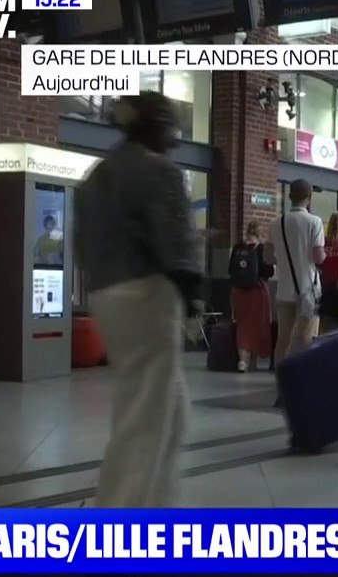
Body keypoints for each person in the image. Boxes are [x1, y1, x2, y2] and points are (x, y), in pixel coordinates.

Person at [74, 91, 201, 507]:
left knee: (172, 411)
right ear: (158, 127)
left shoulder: (98, 174)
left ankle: (158, 511)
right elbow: (177, 246)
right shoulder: (159, 171)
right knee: (144, 418)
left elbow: (83, 243)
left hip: (106, 293)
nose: (175, 138)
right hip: (147, 293)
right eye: (171, 128)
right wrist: (192, 298)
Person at [269, 179, 325, 362]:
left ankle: (282, 382)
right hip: (308, 291)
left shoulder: (276, 223)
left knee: (282, 340)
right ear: (309, 198)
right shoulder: (314, 222)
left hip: (284, 290)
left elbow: (268, 258)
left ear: (290, 196)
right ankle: (303, 384)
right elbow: (318, 257)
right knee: (306, 341)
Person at [228, 222, 274, 372]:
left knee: (242, 325)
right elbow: (269, 272)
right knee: (257, 326)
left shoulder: (237, 248)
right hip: (257, 291)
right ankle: (253, 361)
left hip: (238, 292)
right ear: (260, 234)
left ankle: (242, 361)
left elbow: (230, 270)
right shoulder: (262, 248)